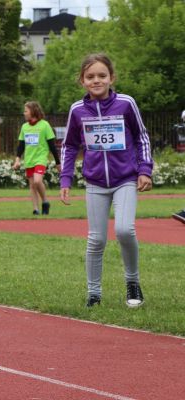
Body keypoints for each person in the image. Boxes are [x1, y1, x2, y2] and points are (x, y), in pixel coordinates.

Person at [59, 53, 153, 308]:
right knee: (96, 239)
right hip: (95, 183)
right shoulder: (77, 110)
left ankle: (132, 283)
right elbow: (69, 146)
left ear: (112, 78)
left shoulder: (125, 103)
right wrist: (65, 179)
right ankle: (94, 293)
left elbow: (142, 137)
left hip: (125, 179)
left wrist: (144, 169)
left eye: (102, 75)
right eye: (90, 77)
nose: (96, 80)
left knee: (124, 230)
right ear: (82, 81)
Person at [12, 101, 61, 215]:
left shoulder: (45, 125)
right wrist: (17, 160)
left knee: (37, 180)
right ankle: (35, 209)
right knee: (32, 185)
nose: (24, 113)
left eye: (26, 111)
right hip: (29, 160)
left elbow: (52, 146)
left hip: (40, 159)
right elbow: (21, 145)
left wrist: (58, 163)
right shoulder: (24, 127)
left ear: (33, 111)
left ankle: (45, 202)